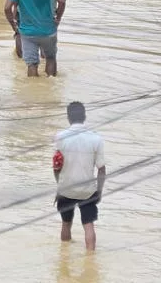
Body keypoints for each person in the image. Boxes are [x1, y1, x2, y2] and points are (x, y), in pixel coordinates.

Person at [53, 101, 106, 250]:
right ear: (85, 117)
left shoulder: (60, 137)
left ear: (68, 117)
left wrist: (59, 185)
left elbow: (56, 165)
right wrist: (99, 192)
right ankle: (90, 258)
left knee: (66, 225)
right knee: (89, 226)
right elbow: (101, 170)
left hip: (66, 189)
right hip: (88, 191)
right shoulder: (96, 139)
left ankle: (64, 258)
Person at [4, 0, 65, 77]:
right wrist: (58, 18)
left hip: (27, 33)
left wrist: (14, 26)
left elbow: (7, 8)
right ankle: (50, 88)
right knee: (50, 58)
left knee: (32, 64)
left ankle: (33, 92)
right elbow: (61, 1)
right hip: (48, 30)